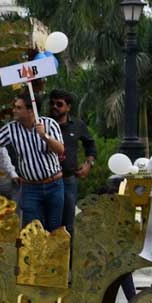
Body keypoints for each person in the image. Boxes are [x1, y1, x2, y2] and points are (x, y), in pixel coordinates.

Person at [0, 90, 66, 231]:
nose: (13, 110)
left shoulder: (49, 124)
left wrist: (45, 136)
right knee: (30, 231)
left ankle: (55, 254)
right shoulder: (11, 129)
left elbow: (60, 150)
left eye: (18, 108)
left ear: (30, 111)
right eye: (15, 106)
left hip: (54, 185)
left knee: (54, 228)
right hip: (30, 188)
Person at [48, 89, 97, 233]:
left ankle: (67, 255)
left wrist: (89, 164)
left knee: (68, 223)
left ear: (68, 107)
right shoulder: (42, 124)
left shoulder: (77, 125)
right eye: (52, 103)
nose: (54, 107)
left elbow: (90, 144)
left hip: (68, 180)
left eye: (59, 104)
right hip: (46, 181)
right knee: (49, 223)